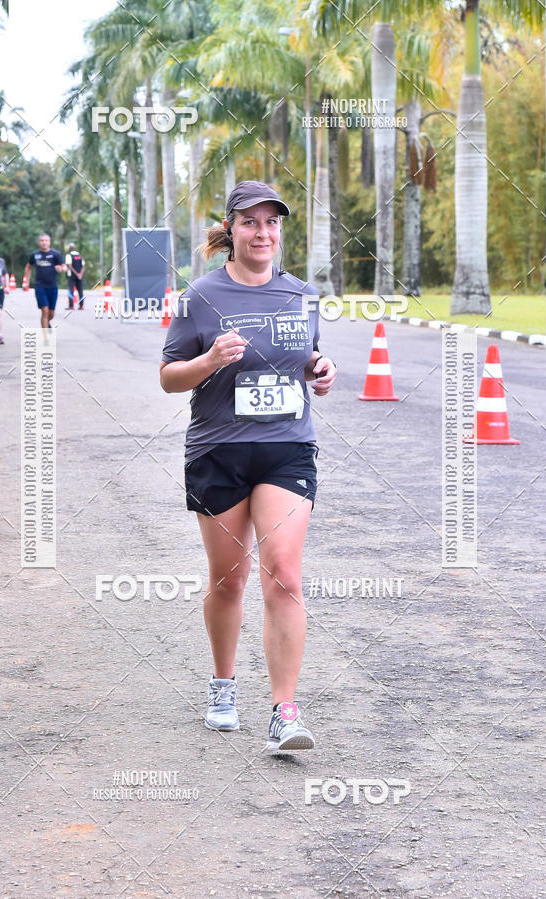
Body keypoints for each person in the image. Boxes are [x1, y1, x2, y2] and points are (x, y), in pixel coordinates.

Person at [160, 180, 336, 752]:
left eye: (272, 223)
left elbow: (302, 356)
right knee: (229, 578)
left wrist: (319, 366)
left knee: (283, 571)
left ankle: (285, 711)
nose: (263, 233)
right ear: (231, 231)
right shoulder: (200, 297)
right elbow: (168, 377)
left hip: (287, 445)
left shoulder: (301, 295)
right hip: (219, 449)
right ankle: (223, 683)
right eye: (251, 223)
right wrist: (208, 360)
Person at [23, 233, 66, 329]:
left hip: (53, 287)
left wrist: (61, 269)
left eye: (46, 240)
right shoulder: (35, 254)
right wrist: (26, 281)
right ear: (39, 242)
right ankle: (45, 337)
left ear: (49, 242)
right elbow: (28, 267)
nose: (44, 243)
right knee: (45, 311)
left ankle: (46, 323)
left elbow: (64, 266)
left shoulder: (55, 254)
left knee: (51, 313)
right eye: (42, 240)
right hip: (40, 287)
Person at [64, 242, 86, 310]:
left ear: (69, 248)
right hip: (79, 276)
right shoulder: (79, 255)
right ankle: (81, 306)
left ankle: (71, 306)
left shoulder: (69, 255)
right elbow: (83, 266)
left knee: (71, 290)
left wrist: (76, 274)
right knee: (80, 291)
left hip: (71, 276)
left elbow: (70, 266)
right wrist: (80, 274)